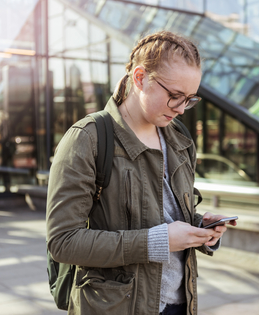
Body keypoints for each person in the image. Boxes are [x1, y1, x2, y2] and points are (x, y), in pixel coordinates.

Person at [46, 30, 237, 315]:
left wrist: (201, 226)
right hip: (115, 307)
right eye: (175, 96)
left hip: (180, 303)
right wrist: (156, 242)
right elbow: (63, 242)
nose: (182, 109)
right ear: (139, 78)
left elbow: (163, 215)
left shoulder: (180, 139)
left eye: (189, 99)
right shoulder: (89, 138)